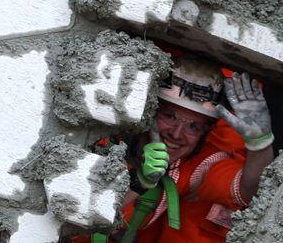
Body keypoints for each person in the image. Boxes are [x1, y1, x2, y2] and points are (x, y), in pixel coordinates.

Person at [115, 59, 274, 242]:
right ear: (150, 109)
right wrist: (139, 180)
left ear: (205, 133)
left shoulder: (191, 164)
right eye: (169, 116)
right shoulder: (106, 137)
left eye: (194, 127)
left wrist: (260, 143)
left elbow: (247, 191)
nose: (176, 134)